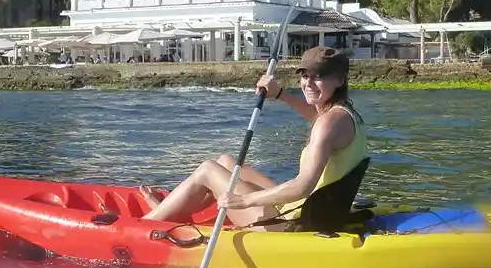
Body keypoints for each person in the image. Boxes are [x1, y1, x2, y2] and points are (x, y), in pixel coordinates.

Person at [140, 46, 368, 228]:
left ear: (339, 79)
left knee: (208, 170)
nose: (308, 82)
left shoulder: (327, 124)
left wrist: (243, 201)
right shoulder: (343, 115)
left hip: (293, 222)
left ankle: (147, 224)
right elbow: (317, 119)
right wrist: (279, 94)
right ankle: (172, 211)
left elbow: (302, 188)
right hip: (304, 209)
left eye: (318, 76)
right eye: (304, 75)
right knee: (226, 162)